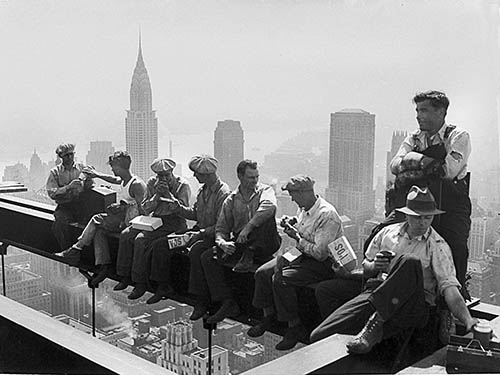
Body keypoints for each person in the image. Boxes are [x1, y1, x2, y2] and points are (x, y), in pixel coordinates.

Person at [310, 186, 477, 355]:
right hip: (378, 294)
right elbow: (366, 266)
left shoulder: (437, 246)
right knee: (318, 335)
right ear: (407, 215)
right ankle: (368, 331)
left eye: (428, 218)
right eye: (418, 217)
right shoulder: (387, 233)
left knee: (410, 262)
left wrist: (468, 320)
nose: (423, 223)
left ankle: (375, 324)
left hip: (412, 305)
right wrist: (375, 265)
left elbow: (450, 290)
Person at [249, 175, 346, 351]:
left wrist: (297, 237)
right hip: (301, 253)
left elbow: (321, 254)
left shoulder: (327, 215)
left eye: (294, 194)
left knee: (282, 279)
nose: (292, 198)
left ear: (304, 192)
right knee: (263, 273)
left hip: (321, 263)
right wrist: (292, 224)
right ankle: (268, 315)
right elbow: (302, 232)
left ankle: (294, 326)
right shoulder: (304, 209)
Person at [389, 90, 472, 289]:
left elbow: (447, 171)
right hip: (417, 202)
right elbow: (395, 165)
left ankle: (454, 298)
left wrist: (413, 161)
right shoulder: (415, 138)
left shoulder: (458, 136)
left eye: (424, 110)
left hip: (451, 204)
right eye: (417, 110)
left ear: (441, 112)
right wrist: (425, 163)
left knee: (456, 246)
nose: (418, 115)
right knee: (383, 231)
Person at [198, 159, 281, 324]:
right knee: (208, 257)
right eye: (250, 177)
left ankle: (250, 252)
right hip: (242, 243)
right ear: (240, 176)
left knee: (265, 218)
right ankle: (227, 301)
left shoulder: (265, 191)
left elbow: (269, 207)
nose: (255, 180)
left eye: (256, 176)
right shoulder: (231, 200)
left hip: (264, 242)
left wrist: (248, 227)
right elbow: (221, 228)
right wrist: (222, 243)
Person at [146, 155, 231, 306]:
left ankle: (201, 298)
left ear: (206, 174)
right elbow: (194, 213)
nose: (194, 175)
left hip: (211, 237)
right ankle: (163, 285)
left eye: (197, 173)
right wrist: (178, 208)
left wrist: (200, 234)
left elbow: (221, 225)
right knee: (163, 245)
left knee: (197, 252)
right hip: (197, 233)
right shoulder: (203, 190)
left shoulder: (222, 193)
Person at [54, 151, 146, 286]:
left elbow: (143, 210)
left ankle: (76, 249)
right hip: (123, 219)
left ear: (119, 167)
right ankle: (103, 267)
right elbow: (115, 180)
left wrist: (123, 206)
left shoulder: (137, 185)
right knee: (99, 231)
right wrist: (97, 174)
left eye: (113, 166)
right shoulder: (126, 180)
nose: (112, 169)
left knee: (97, 219)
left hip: (130, 223)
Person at [113, 158, 190, 300]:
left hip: (174, 223)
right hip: (154, 220)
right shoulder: (151, 183)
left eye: (167, 175)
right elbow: (145, 208)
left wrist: (168, 194)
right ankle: (124, 274)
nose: (164, 178)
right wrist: (157, 195)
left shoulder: (182, 185)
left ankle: (140, 281)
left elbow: (184, 211)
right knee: (126, 235)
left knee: (141, 240)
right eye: (160, 176)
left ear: (172, 172)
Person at [47, 143, 93, 250]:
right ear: (61, 157)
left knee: (91, 224)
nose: (70, 157)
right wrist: (68, 187)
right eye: (67, 155)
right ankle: (67, 250)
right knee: (60, 226)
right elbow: (52, 192)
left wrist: (85, 181)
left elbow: (90, 178)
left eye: (71, 154)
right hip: (65, 206)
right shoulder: (55, 172)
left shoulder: (81, 168)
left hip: (81, 205)